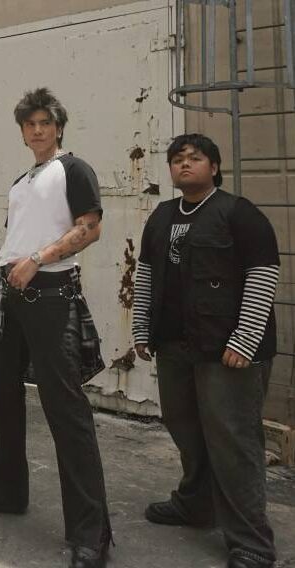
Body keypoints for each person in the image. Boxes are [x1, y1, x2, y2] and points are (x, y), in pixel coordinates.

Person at [0, 88, 111, 568]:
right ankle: (6, 487)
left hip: (50, 294)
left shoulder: (74, 169)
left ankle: (91, 532)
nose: (38, 130)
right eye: (30, 124)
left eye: (45, 123)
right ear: (22, 132)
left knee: (65, 408)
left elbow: (91, 227)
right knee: (1, 393)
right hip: (7, 293)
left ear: (58, 127)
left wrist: (38, 258)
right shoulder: (22, 181)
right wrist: (11, 269)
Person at [132, 134, 279, 568]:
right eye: (177, 159)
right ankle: (197, 504)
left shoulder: (239, 213)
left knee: (233, 441)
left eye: (195, 158)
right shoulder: (161, 217)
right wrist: (142, 328)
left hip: (226, 349)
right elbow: (146, 274)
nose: (185, 164)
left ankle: (252, 542)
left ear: (214, 167)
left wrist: (244, 339)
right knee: (185, 428)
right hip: (174, 344)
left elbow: (263, 273)